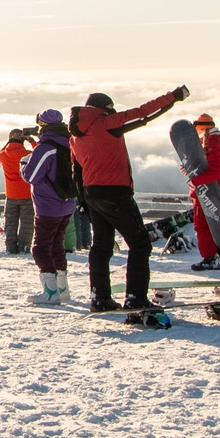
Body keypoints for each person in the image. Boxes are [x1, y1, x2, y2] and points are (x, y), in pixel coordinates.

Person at [71, 86, 189, 314]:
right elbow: (143, 112)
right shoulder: (106, 122)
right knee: (140, 244)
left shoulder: (75, 135)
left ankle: (100, 298)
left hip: (91, 193)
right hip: (116, 192)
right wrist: (173, 97)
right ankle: (135, 298)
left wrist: (83, 201)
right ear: (105, 109)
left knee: (101, 246)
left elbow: (76, 170)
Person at [21, 111, 80, 305]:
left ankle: (50, 292)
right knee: (57, 245)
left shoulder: (45, 148)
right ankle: (63, 289)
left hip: (48, 206)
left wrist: (23, 165)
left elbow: (31, 176)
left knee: (40, 248)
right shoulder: (70, 143)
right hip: (68, 203)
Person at [188, 113, 220, 272]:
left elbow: (215, 170)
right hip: (216, 188)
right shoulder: (218, 142)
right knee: (215, 221)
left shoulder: (213, 143)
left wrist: (195, 181)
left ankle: (210, 257)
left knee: (203, 224)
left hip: (208, 189)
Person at [0, 128, 35, 256]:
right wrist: (31, 140)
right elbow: (39, 152)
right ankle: (24, 247)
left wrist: (9, 143)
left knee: (11, 222)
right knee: (27, 222)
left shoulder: (3, 155)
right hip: (26, 194)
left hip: (11, 194)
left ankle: (10, 247)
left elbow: (0, 152)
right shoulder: (28, 154)